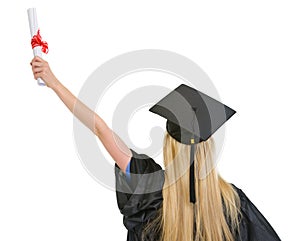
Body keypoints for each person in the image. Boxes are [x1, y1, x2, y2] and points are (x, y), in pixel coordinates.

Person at [30, 56, 281, 241]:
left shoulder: (149, 190)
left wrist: (54, 83)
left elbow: (100, 129)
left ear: (169, 145)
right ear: (207, 149)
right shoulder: (232, 202)